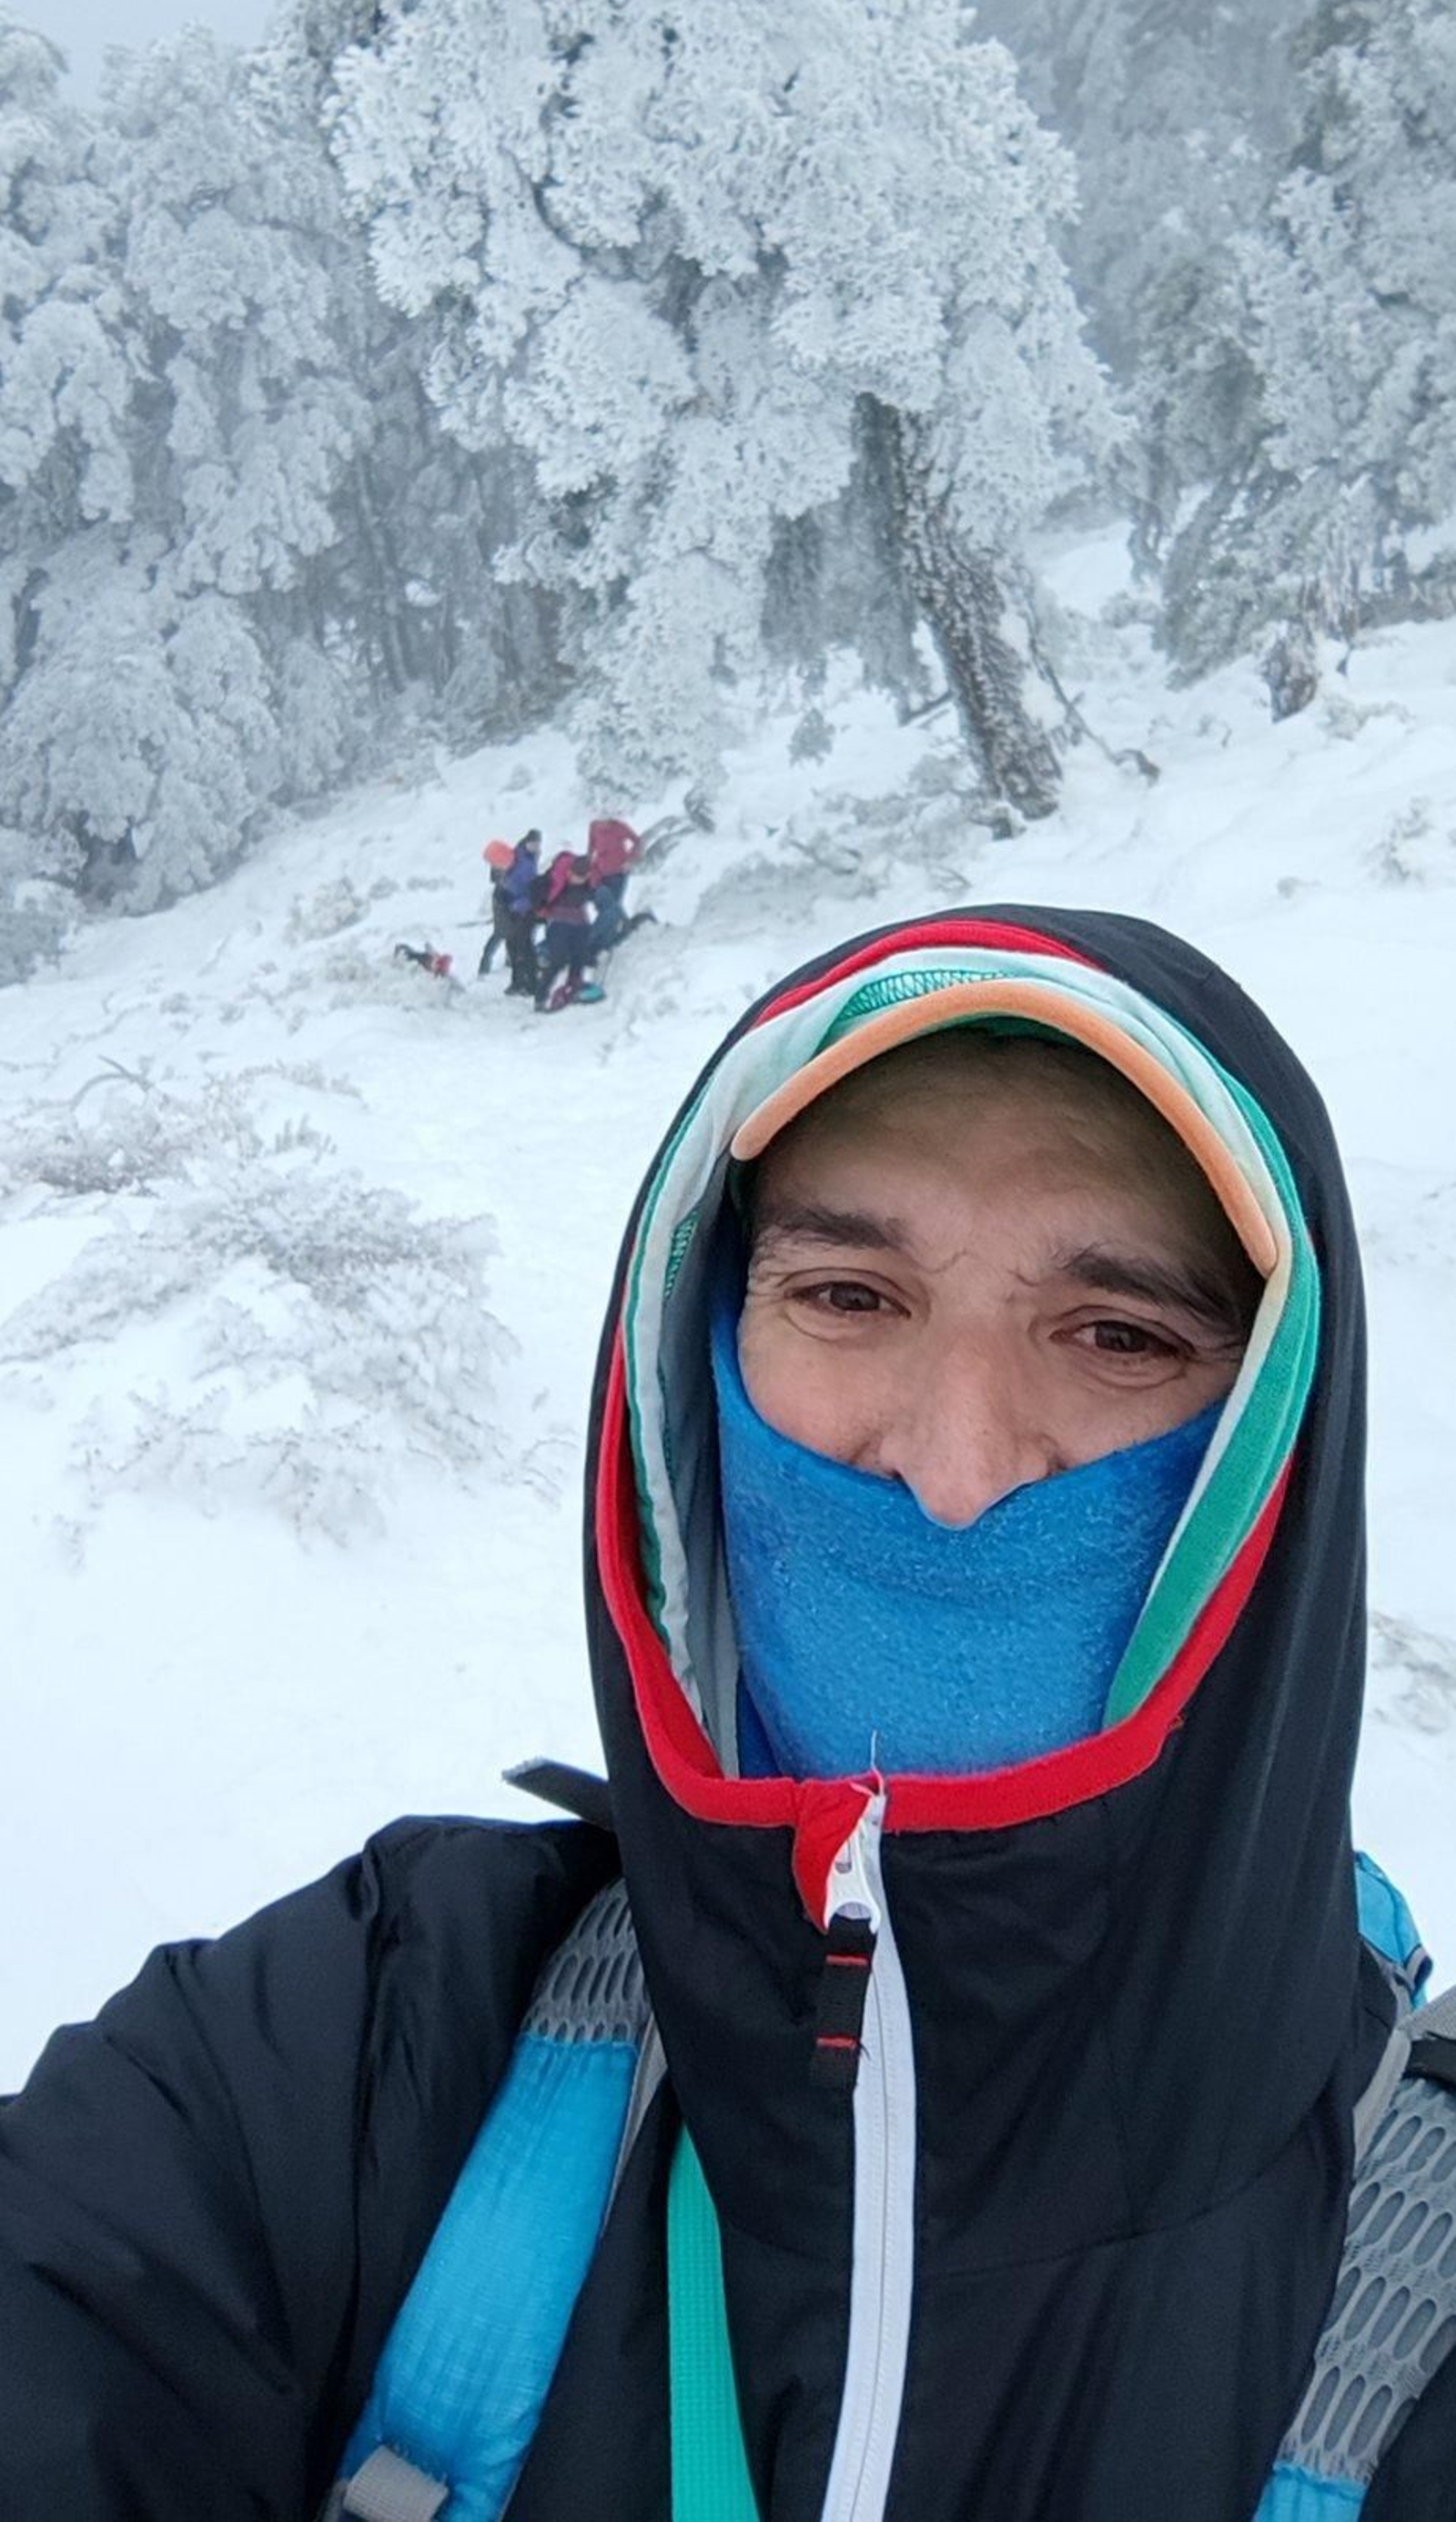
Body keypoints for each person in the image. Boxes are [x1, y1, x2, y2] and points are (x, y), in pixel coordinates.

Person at [3, 904, 1454, 2522]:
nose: (954, 1467)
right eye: (848, 1294)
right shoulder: (371, 2036)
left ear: (1276, 1442)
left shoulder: (1430, 2286)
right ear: (692, 1366)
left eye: (1117, 1334)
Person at [532, 849, 602, 1012]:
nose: (572, 878)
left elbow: (594, 893)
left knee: (579, 956)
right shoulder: (559, 877)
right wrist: (542, 910)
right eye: (572, 874)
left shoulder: (590, 880)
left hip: (579, 921)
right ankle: (540, 997)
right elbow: (545, 899)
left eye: (577, 877)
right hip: (558, 922)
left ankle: (574, 986)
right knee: (557, 960)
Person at [479, 828, 542, 997]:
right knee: (513, 948)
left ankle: (532, 985)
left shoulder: (526, 868)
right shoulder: (514, 859)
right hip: (511, 912)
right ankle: (517, 982)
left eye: (495, 864)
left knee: (525, 949)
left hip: (525, 914)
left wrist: (516, 905)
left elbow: (531, 894)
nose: (494, 868)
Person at [586, 812, 645, 953]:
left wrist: (630, 860)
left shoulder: (619, 827)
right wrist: (588, 868)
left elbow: (638, 841)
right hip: (600, 874)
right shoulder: (593, 827)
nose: (602, 823)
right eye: (600, 820)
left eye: (604, 820)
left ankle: (607, 939)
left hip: (619, 874)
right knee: (606, 907)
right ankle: (603, 939)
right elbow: (591, 848)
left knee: (613, 906)